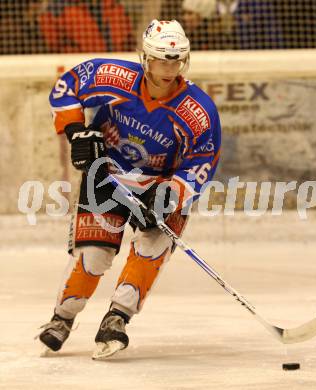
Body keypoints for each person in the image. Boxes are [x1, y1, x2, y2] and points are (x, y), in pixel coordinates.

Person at [37, 19, 221, 359]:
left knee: (151, 248)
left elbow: (202, 162)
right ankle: (61, 319)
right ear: (144, 58)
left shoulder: (198, 111)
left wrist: (171, 194)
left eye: (176, 60)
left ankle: (117, 318)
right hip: (106, 175)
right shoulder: (115, 76)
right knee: (93, 256)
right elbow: (67, 87)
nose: (168, 69)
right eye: (160, 60)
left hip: (158, 186)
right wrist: (77, 131)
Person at [38, 0, 135, 53]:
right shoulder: (58, 11)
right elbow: (52, 47)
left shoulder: (115, 7)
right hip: (79, 71)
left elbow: (129, 42)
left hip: (116, 71)